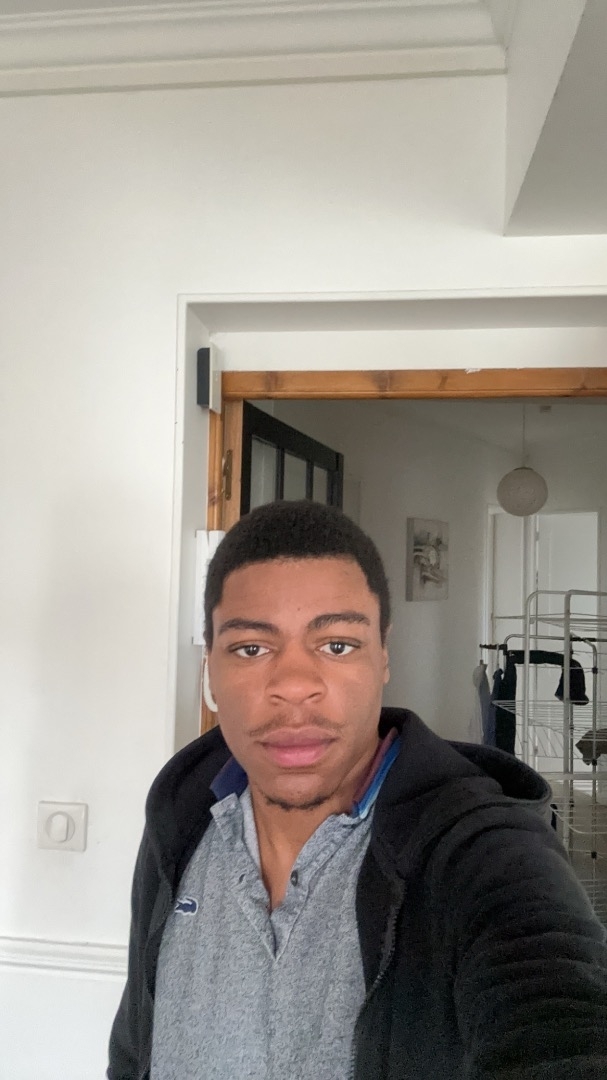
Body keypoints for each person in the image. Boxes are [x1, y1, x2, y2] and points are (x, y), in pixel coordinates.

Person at [108, 500, 607, 1080]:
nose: (295, 685)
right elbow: (134, 1052)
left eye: (337, 644)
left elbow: (560, 1013)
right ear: (210, 669)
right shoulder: (180, 822)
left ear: (383, 656)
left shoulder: (485, 852)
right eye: (251, 648)